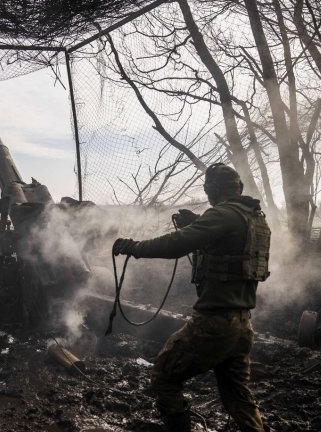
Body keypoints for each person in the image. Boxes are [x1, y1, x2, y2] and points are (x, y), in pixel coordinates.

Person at [113, 163, 270, 432]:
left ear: (213, 189)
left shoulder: (221, 215)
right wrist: (198, 222)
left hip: (214, 323)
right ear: (238, 188)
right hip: (242, 324)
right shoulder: (254, 217)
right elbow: (227, 239)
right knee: (238, 397)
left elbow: (177, 244)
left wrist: (134, 247)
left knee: (163, 377)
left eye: (208, 188)